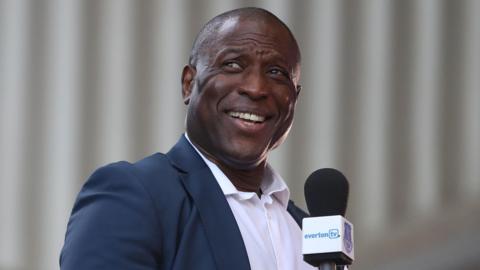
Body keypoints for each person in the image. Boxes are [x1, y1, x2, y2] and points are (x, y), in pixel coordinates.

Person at [60, 7, 324, 270]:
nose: (256, 88)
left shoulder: (306, 232)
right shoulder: (135, 195)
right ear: (189, 83)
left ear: (294, 98)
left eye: (276, 72)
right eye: (233, 65)